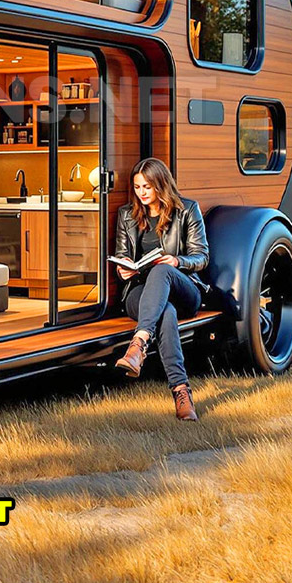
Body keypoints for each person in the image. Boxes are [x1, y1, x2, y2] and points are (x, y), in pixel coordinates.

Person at [112, 158, 209, 420]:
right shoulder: (126, 215)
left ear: (161, 185)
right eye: (137, 187)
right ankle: (181, 391)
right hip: (140, 294)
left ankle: (139, 343)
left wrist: (177, 261)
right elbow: (121, 255)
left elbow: (202, 256)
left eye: (147, 186)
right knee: (164, 313)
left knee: (162, 269)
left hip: (183, 289)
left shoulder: (187, 210)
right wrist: (124, 268)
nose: (141, 193)